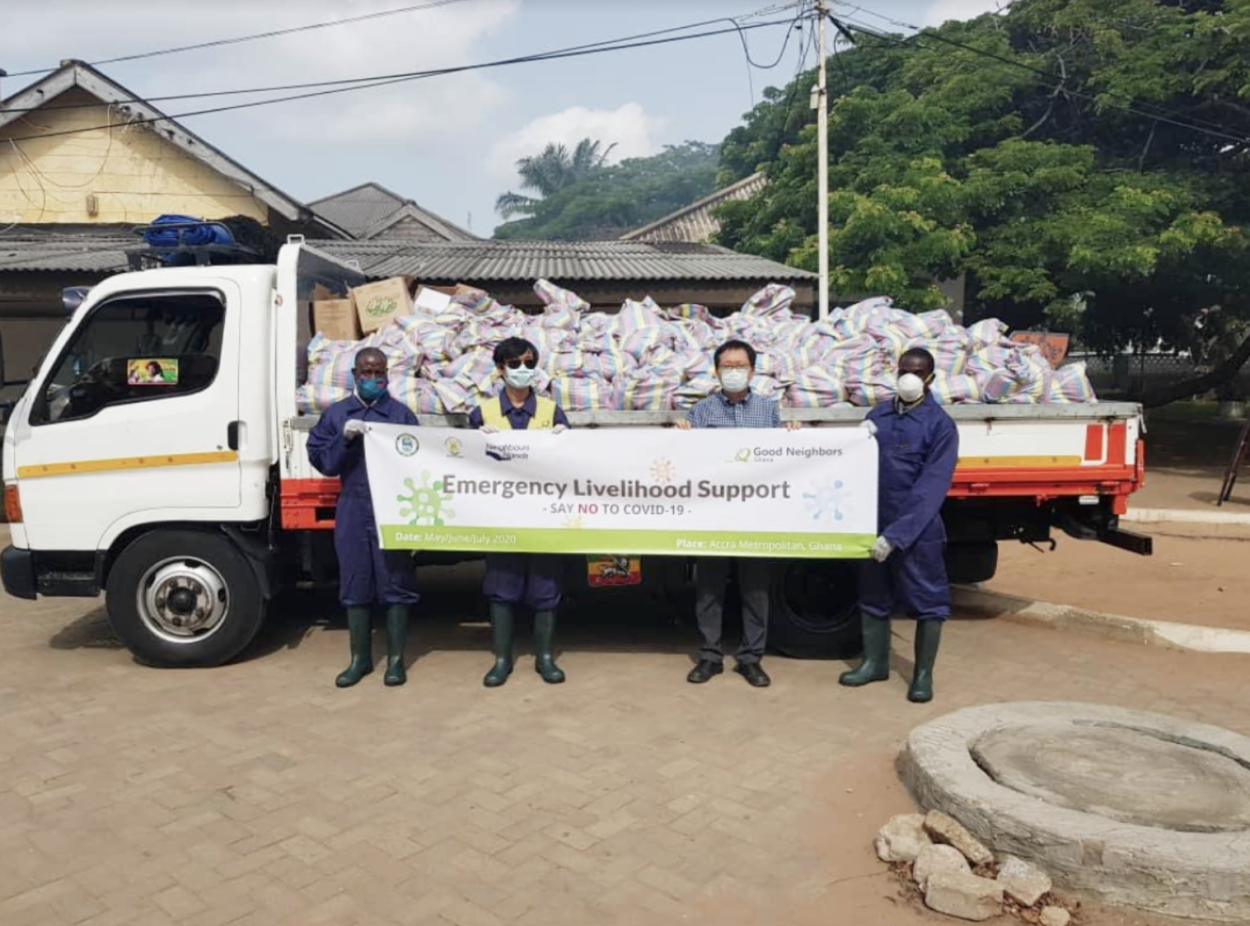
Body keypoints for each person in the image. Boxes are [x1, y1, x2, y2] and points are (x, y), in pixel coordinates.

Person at [676, 339, 800, 688]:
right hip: (713, 513)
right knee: (709, 588)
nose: (733, 372)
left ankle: (751, 659)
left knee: (756, 589)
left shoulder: (768, 411)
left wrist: (794, 437)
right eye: (727, 366)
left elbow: (782, 458)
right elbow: (686, 459)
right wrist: (681, 436)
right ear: (716, 372)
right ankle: (709, 656)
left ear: (752, 370)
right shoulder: (701, 412)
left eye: (740, 366)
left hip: (755, 515)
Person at [839, 347, 959, 703]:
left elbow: (931, 487)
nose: (910, 377)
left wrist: (896, 536)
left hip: (917, 530)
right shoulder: (879, 415)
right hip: (874, 522)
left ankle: (922, 676)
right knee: (872, 594)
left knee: (928, 599)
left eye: (918, 372)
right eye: (905, 370)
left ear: (930, 378)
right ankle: (874, 663)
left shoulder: (940, 425)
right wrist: (855, 443)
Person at [307, 347, 420, 688]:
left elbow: (419, 462)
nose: (373, 378)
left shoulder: (400, 415)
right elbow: (325, 463)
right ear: (355, 375)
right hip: (353, 506)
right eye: (367, 372)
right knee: (355, 582)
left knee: (395, 582)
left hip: (393, 508)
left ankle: (396, 661)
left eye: (379, 372)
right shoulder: (338, 414)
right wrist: (343, 440)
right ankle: (360, 659)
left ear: (387, 375)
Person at [468, 337, 571, 687]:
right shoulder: (482, 413)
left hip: (543, 515)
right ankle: (502, 659)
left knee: (545, 586)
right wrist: (475, 441)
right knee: (502, 586)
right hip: (499, 516)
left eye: (529, 363)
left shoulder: (551, 411)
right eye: (514, 364)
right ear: (500, 369)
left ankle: (545, 658)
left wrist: (565, 439)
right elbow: (461, 464)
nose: (522, 370)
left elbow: (571, 463)